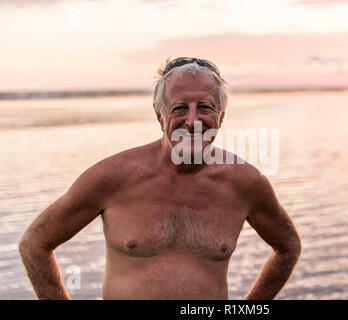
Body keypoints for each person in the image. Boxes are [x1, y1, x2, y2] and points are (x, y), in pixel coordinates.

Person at [18, 57, 301, 300]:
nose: (193, 120)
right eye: (180, 108)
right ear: (159, 114)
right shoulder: (112, 177)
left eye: (205, 107)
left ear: (221, 115)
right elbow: (35, 243)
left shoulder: (245, 184)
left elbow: (288, 247)